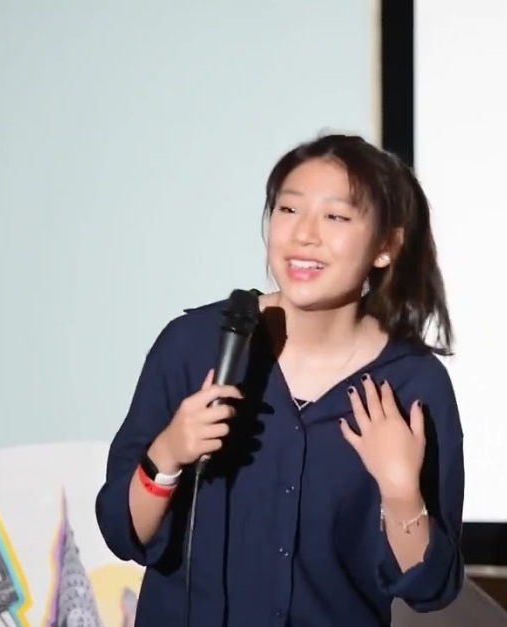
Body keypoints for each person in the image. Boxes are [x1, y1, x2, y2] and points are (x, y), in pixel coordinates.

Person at [95, 133, 465, 626]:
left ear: (385, 246)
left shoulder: (412, 385)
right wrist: (168, 455)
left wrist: (401, 494)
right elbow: (123, 532)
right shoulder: (194, 346)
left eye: (336, 217)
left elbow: (430, 587)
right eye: (288, 210)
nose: (304, 234)